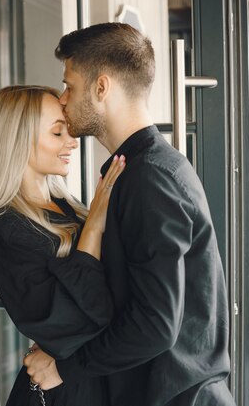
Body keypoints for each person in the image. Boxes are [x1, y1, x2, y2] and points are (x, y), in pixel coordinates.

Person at [24, 22, 236, 406]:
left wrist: (65, 367)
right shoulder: (136, 170)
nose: (63, 97)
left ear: (101, 87)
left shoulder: (150, 178)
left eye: (69, 84)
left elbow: (155, 325)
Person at [0, 84, 126, 405]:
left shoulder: (66, 208)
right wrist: (93, 229)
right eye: (57, 133)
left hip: (88, 380)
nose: (72, 142)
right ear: (17, 141)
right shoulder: (7, 228)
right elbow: (85, 320)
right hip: (66, 392)